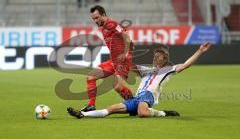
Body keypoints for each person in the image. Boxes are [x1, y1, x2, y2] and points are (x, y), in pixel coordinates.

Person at [67, 43, 212, 118]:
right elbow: (129, 65)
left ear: (165, 59)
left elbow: (186, 64)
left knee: (142, 112)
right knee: (110, 110)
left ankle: (163, 113)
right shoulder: (145, 70)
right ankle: (83, 114)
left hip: (148, 96)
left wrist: (199, 51)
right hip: (136, 98)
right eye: (155, 55)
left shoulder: (168, 70)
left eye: (159, 56)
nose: (155, 57)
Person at [80, 5, 134, 112]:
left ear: (103, 14)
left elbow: (126, 37)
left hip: (122, 61)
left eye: (97, 17)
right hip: (113, 61)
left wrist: (126, 52)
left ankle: (134, 105)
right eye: (93, 19)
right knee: (91, 76)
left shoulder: (112, 24)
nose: (95, 21)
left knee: (118, 87)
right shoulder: (104, 27)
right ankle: (91, 105)